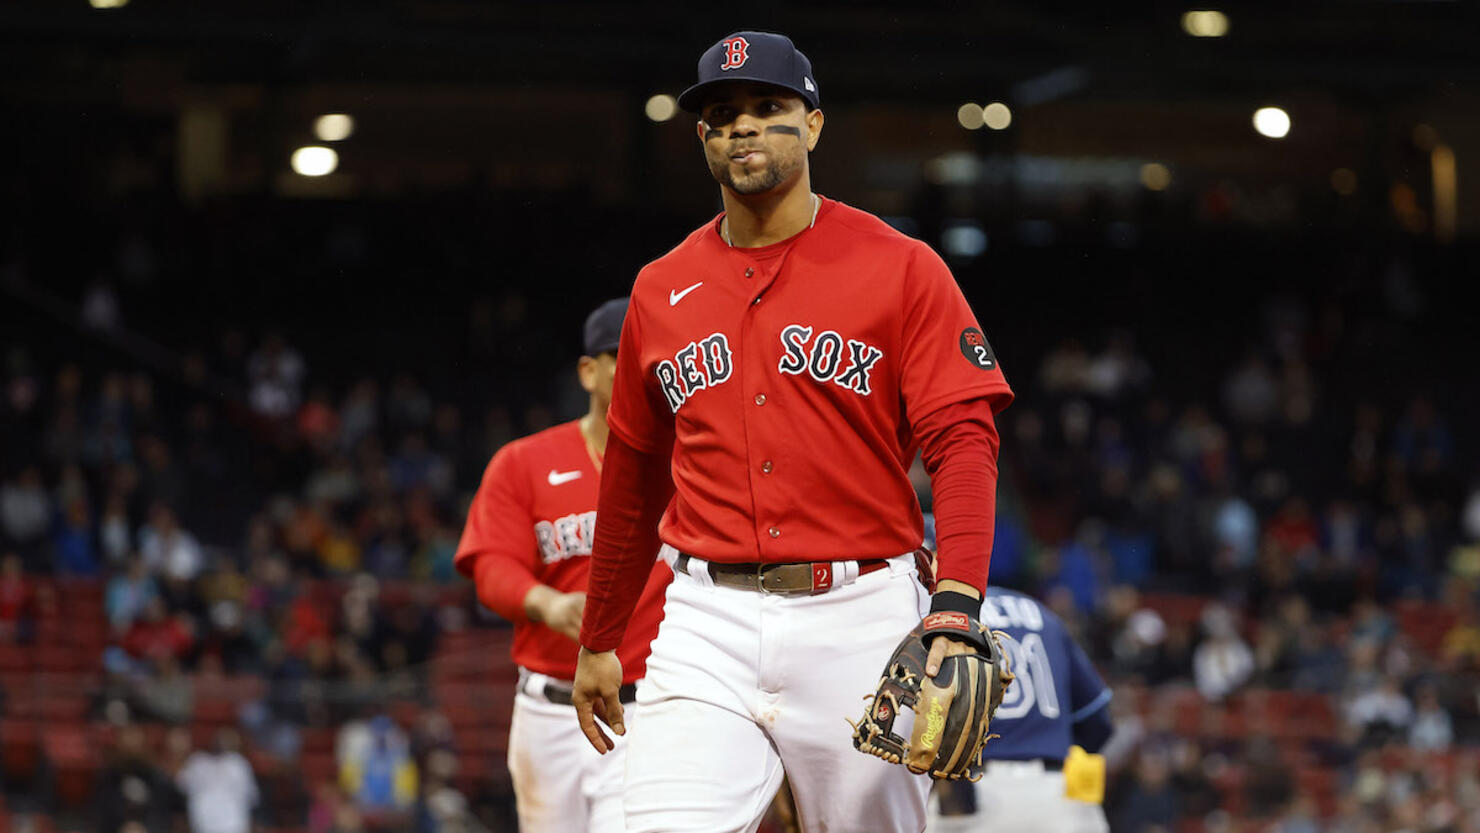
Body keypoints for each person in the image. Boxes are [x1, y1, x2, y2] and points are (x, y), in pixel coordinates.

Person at [570, 31, 1014, 833]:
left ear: (812, 124)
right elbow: (634, 474)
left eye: (769, 108)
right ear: (701, 136)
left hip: (859, 612)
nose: (743, 127)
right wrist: (600, 636)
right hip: (705, 619)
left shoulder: (902, 265)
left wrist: (956, 603)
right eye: (722, 114)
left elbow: (964, 438)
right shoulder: (660, 287)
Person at [454, 298, 671, 833]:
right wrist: (548, 603)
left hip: (643, 707)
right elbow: (490, 567)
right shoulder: (525, 463)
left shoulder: (689, 467)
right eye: (623, 356)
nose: (639, 371)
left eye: (652, 360)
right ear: (588, 371)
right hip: (546, 711)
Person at [928, 586, 1114, 832]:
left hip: (975, 795)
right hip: (1060, 794)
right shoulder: (1042, 614)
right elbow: (1097, 721)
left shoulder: (940, 617)